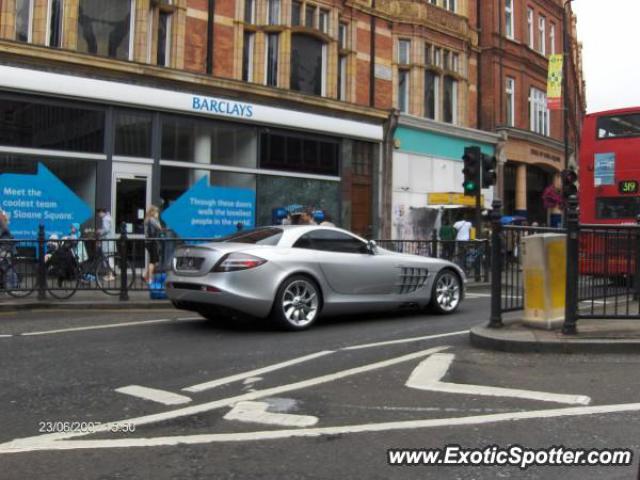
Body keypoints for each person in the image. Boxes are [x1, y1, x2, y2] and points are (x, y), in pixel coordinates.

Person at [143, 205, 163, 284]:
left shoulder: (148, 219)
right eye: (156, 212)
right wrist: (157, 219)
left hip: (150, 242)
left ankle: (145, 275)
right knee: (153, 261)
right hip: (152, 242)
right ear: (152, 212)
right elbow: (159, 228)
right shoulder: (152, 220)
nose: (157, 214)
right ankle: (150, 279)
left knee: (154, 260)